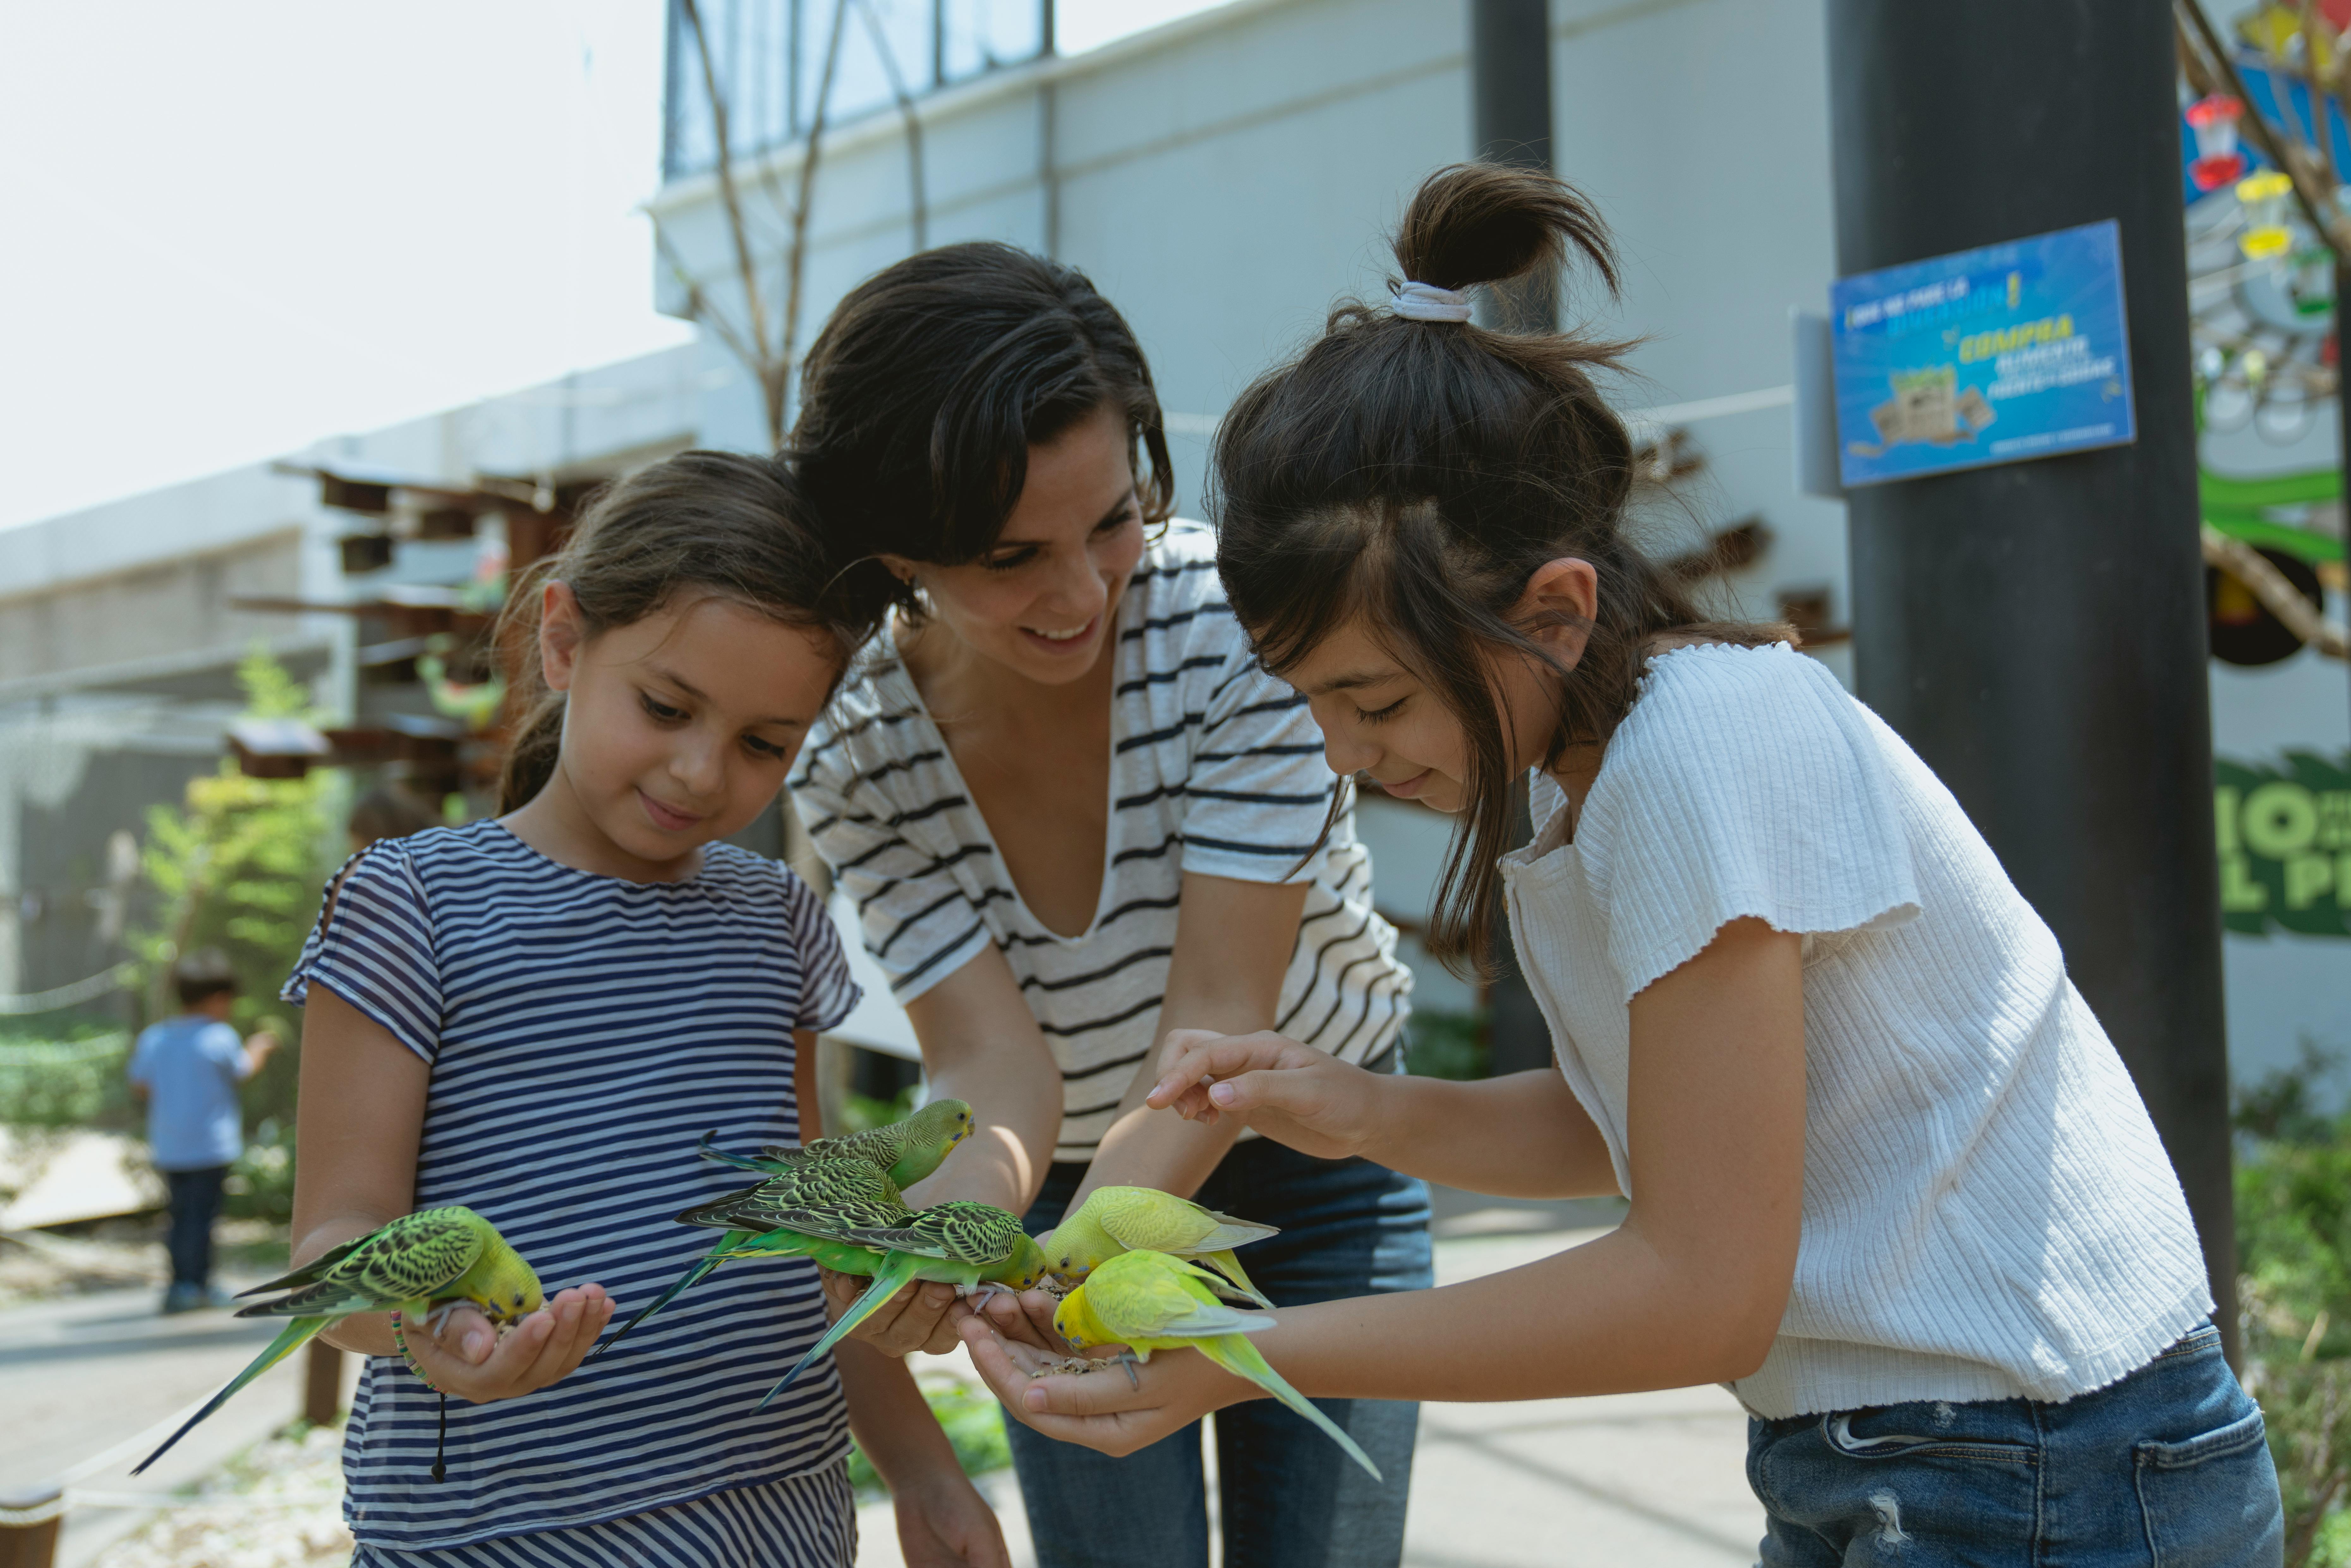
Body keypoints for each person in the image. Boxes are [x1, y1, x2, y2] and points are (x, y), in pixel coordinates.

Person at [959, 164, 2288, 1564]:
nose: (1347, 754)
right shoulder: (1607, 778)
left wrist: (1247, 1349)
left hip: (2037, 1460)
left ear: (1552, 606)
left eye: (1375, 699)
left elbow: (1698, 1287)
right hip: (1918, 1449)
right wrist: (1358, 1109)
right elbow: (1648, 1129)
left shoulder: (1698, 751)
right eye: (1315, 706)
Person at [785, 242, 1431, 1568]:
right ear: (893, 545)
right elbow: (989, 1062)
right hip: (1073, 1179)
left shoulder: (1239, 625)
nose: (1079, 591)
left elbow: (1216, 1022)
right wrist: (971, 1234)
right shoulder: (853, 748)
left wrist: (1038, 1258)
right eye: (1011, 554)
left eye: (1112, 517)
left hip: (1320, 1165)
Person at [280, 452, 1006, 1567]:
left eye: (766, 742)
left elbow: (812, 1239)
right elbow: (336, 1250)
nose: (702, 771)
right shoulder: (411, 903)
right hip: (494, 1534)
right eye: (665, 706)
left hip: (775, 1521)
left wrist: (924, 1470)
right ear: (563, 640)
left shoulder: (776, 920)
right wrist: (437, 1334)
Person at [129, 947, 279, 1312]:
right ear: (217, 998)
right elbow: (242, 1071)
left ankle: (180, 1283)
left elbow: (140, 1085)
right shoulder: (220, 1036)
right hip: (210, 1147)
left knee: (180, 1217)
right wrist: (260, 1046)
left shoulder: (156, 1037)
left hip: (170, 1146)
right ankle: (194, 1285)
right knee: (202, 1218)